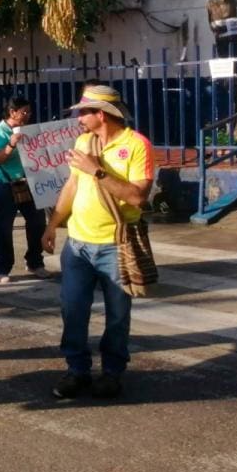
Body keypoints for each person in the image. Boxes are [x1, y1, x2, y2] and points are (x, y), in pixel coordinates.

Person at [41, 85, 152, 400]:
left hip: (116, 245)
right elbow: (72, 185)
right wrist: (52, 225)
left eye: (83, 112)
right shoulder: (83, 141)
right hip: (77, 244)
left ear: (101, 114)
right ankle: (77, 370)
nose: (78, 119)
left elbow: (138, 197)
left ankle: (112, 373)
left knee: (117, 315)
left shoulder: (137, 145)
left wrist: (98, 171)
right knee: (72, 310)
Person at [0, 96, 49, 283]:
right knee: (3, 227)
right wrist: (11, 145)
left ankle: (35, 261)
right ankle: (2, 268)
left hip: (28, 182)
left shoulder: (28, 130)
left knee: (37, 222)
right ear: (12, 112)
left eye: (29, 112)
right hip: (5, 184)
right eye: (24, 112)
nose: (28, 115)